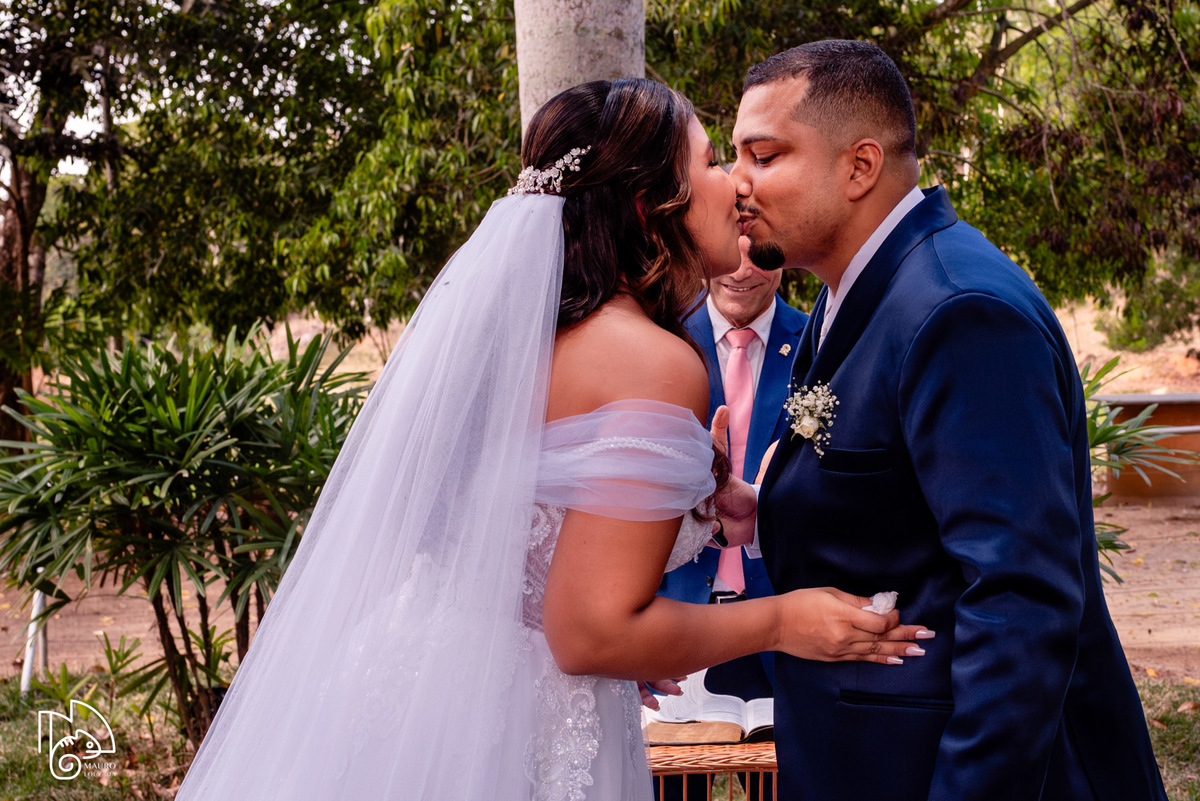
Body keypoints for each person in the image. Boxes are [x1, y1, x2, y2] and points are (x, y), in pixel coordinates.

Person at [174, 77, 928, 801]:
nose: (735, 183)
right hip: (513, 731)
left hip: (418, 690)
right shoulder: (654, 361)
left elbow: (515, 541)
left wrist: (705, 514)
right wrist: (787, 620)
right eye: (707, 161)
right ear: (649, 205)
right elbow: (590, 633)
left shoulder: (525, 343)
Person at [728, 40, 1168, 800]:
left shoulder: (959, 311)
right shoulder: (849, 294)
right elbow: (894, 513)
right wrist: (754, 506)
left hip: (940, 767)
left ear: (859, 166)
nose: (736, 184)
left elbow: (1022, 598)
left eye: (762, 156)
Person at [656, 239, 805, 801]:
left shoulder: (823, 344)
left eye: (760, 256)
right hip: (675, 615)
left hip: (779, 613)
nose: (743, 271)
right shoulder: (660, 340)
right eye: (729, 253)